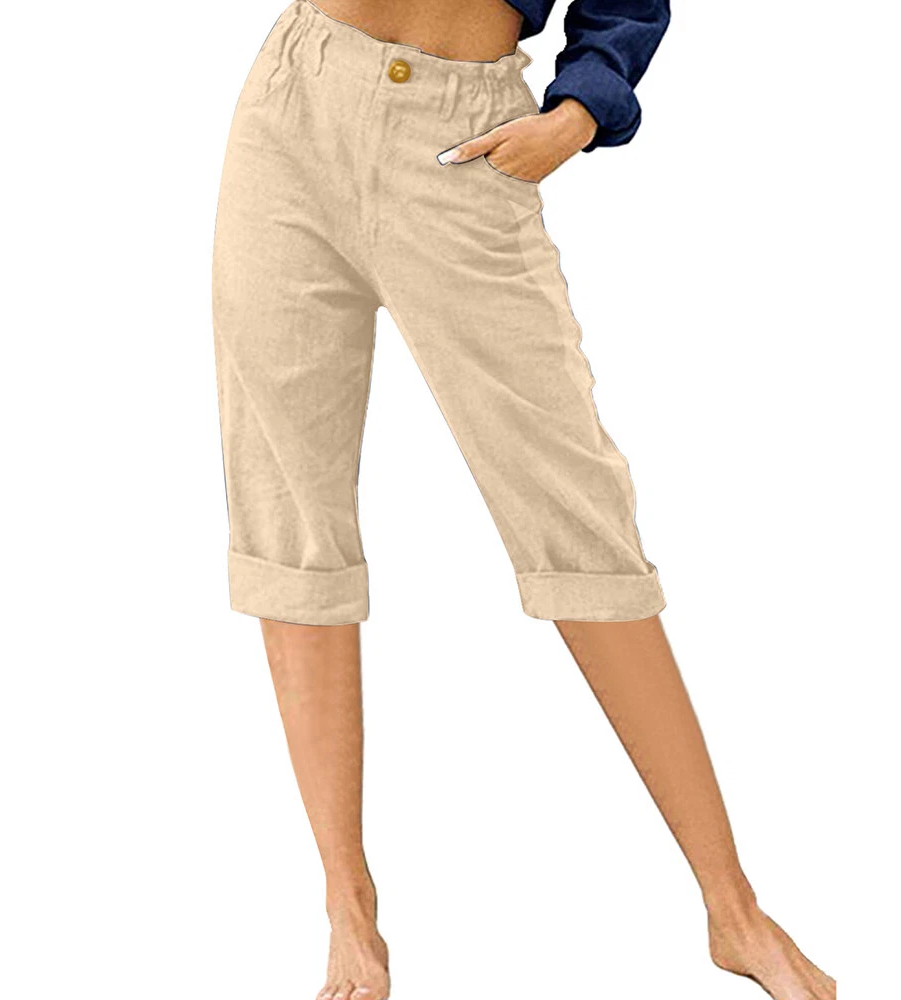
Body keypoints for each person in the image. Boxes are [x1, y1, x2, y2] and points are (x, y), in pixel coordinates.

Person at [210, 2, 836, 998]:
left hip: (462, 141)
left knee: (579, 523)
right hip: (291, 110)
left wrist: (578, 113)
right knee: (288, 514)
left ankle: (734, 910)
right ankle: (348, 911)